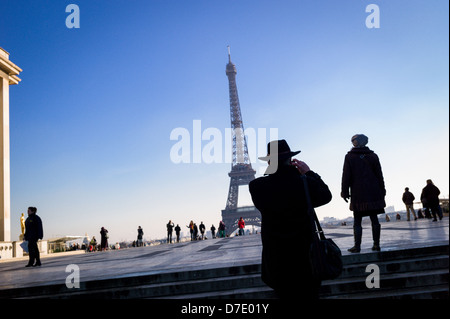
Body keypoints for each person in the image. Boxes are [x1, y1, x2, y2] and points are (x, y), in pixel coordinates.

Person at [249, 140, 332, 299]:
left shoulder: (257, 186)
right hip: (307, 259)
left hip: (277, 262)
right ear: (291, 160)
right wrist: (308, 172)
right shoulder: (305, 183)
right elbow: (326, 196)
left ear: (269, 162)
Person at [341, 134, 386, 253]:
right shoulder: (373, 156)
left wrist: (344, 192)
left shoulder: (350, 157)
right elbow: (379, 175)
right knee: (374, 218)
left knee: (357, 220)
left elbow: (346, 176)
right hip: (374, 192)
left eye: (353, 140)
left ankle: (357, 246)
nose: (351, 142)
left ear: (358, 141)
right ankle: (376, 245)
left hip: (358, 193)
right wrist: (382, 190)